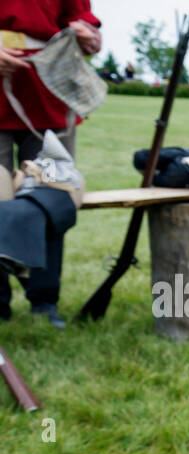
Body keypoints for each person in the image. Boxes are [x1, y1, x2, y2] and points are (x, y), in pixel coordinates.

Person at [0, 0, 101, 328]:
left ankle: (44, 299)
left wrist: (87, 33)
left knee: (51, 197)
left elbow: (79, 15)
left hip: (48, 92)